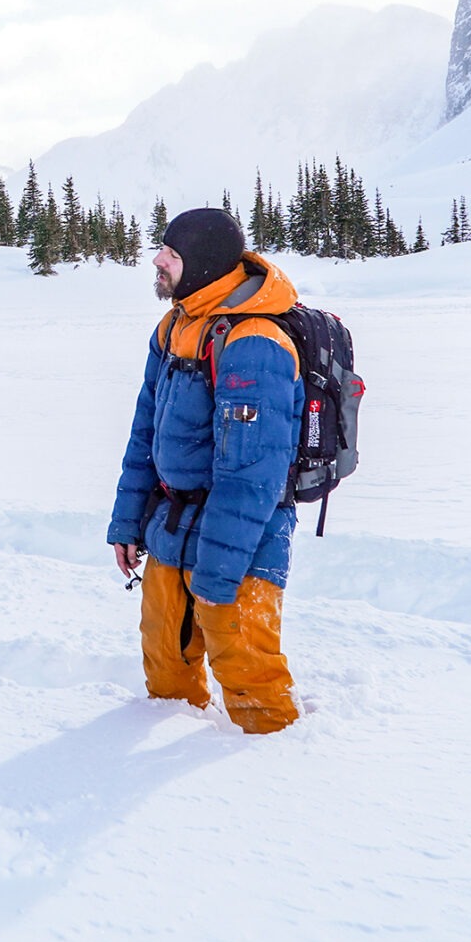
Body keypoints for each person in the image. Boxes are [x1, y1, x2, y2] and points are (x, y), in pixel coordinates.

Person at [106, 206, 303, 734]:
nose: (157, 261)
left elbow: (253, 475)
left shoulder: (254, 343)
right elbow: (144, 432)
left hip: (243, 539)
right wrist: (128, 523)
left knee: (250, 679)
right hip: (172, 526)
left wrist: (217, 575)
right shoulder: (175, 325)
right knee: (166, 673)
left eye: (170, 254)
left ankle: (281, 787)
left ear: (203, 264)